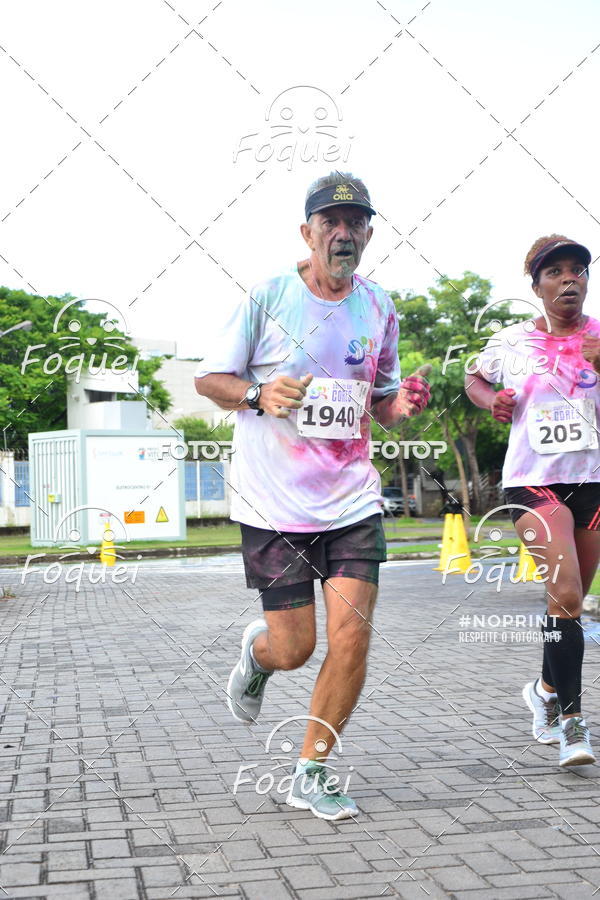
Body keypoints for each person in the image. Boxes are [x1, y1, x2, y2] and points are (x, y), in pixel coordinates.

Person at [195, 172, 430, 818]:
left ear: (370, 235)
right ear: (308, 233)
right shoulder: (269, 298)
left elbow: (381, 406)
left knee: (352, 637)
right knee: (295, 648)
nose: (344, 233)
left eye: (356, 223)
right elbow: (208, 379)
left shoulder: (379, 308)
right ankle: (258, 654)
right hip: (275, 506)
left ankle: (312, 770)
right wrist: (257, 394)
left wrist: (402, 403)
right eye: (332, 222)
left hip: (353, 500)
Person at [466, 235, 600, 767]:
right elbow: (475, 378)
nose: (570, 280)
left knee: (566, 603)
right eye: (557, 273)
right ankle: (571, 722)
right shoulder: (512, 342)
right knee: (566, 589)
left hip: (593, 482)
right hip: (533, 480)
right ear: (537, 286)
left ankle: (544, 690)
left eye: (579, 271)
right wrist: (492, 400)